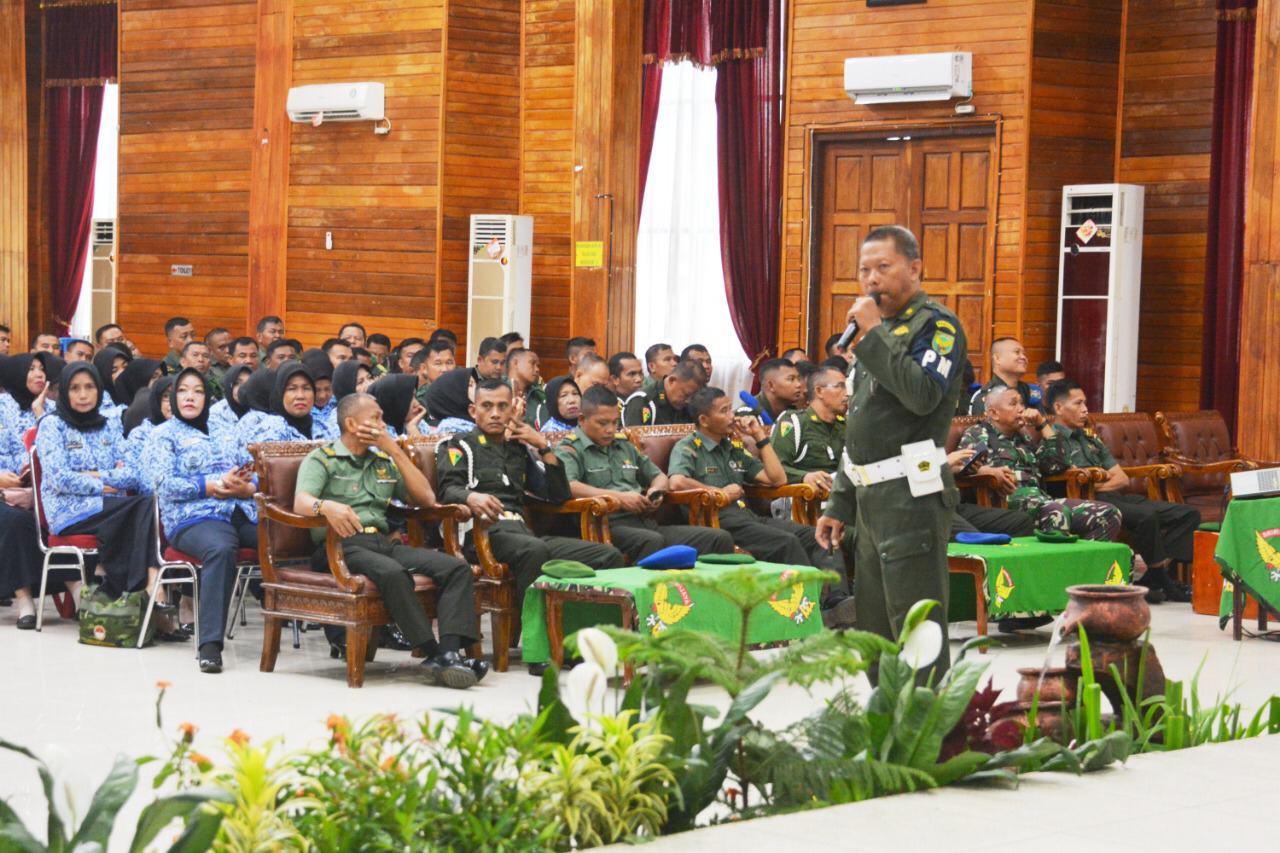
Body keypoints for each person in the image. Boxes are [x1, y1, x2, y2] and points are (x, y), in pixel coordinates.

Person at [815, 225, 968, 680]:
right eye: (865, 270)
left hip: (911, 496)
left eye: (884, 267)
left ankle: (927, 734)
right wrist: (838, 501)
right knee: (874, 631)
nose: (872, 279)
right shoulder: (876, 338)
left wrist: (875, 334)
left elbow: (922, 395)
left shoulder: (937, 327)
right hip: (868, 502)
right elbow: (862, 429)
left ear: (915, 268)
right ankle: (886, 727)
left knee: (916, 625)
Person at [296, 392, 483, 688]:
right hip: (339, 547)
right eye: (376, 418)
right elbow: (301, 503)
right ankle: (434, 653)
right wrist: (326, 507)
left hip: (381, 542)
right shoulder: (323, 459)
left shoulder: (382, 461)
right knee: (391, 573)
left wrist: (396, 452)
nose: (383, 425)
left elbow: (425, 499)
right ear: (351, 423)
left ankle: (449, 653)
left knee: (455, 568)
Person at [436, 380, 624, 625]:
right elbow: (448, 490)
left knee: (608, 555)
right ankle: (540, 643)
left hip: (525, 535)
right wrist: (471, 497)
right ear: (473, 411)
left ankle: (595, 634)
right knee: (533, 550)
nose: (495, 413)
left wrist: (543, 447)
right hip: (482, 535)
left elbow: (558, 496)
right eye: (487, 406)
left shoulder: (518, 449)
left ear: (511, 411)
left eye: (502, 406)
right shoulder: (458, 445)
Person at [142, 369, 256, 671]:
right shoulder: (163, 435)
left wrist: (248, 488)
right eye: (182, 391)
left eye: (198, 391)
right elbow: (164, 485)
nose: (190, 397)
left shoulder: (224, 430)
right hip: (192, 520)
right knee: (220, 549)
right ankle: (209, 645)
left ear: (207, 397)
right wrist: (212, 484)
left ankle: (337, 633)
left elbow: (250, 469)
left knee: (288, 538)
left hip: (238, 510)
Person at [1046, 380, 1198, 603]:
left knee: (1187, 514)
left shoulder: (1089, 439)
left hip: (1114, 496)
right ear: (1059, 408)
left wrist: (1098, 482)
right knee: (1146, 517)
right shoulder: (1053, 441)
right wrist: (1099, 481)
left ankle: (1156, 574)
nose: (1085, 409)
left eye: (1085, 403)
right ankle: (1163, 579)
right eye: (1078, 403)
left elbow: (1122, 478)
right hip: (1088, 503)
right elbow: (1069, 480)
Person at [34, 363, 163, 604]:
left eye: (89, 387)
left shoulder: (109, 425)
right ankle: (147, 590)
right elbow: (59, 478)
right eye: (74, 388)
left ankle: (142, 591)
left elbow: (133, 473)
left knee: (145, 506)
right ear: (64, 392)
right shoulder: (52, 425)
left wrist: (93, 474)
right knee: (143, 506)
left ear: (99, 390)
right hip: (68, 510)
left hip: (110, 508)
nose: (83, 395)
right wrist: (102, 483)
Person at [557, 387, 733, 562]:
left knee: (718, 538)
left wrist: (656, 491)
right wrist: (619, 498)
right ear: (582, 420)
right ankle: (654, 591)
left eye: (614, 422)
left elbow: (660, 477)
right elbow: (569, 485)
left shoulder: (623, 445)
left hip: (645, 522)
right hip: (604, 526)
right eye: (603, 423)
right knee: (651, 541)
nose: (610, 429)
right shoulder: (571, 448)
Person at [668, 387, 833, 572]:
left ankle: (836, 598)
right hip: (720, 523)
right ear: (704, 420)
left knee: (816, 534)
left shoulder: (732, 447)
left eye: (731, 408)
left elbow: (778, 479)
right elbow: (677, 482)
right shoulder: (688, 447)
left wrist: (759, 436)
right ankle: (808, 598)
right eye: (724, 411)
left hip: (749, 518)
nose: (732, 416)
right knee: (786, 542)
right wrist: (719, 492)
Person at [960, 385, 1121, 542]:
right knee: (1057, 512)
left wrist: (1042, 424)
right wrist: (988, 471)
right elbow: (964, 466)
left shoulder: (1024, 436)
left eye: (1022, 403)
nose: (1021, 408)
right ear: (994, 413)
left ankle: (1083, 565)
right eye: (1013, 404)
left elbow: (1057, 464)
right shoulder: (978, 433)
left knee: (1108, 513)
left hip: (1042, 501)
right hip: (1007, 504)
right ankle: (1055, 568)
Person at [622, 359, 703, 427]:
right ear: (672, 381)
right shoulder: (642, 401)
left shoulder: (690, 406)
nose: (688, 401)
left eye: (693, 397)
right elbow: (634, 443)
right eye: (686, 394)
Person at [967, 337, 1036, 416]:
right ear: (997, 358)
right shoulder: (987, 396)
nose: (1023, 357)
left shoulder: (1025, 389)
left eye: (1024, 354)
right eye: (1017, 352)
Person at [740, 358, 805, 424]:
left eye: (798, 379)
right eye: (791, 379)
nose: (798, 384)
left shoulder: (794, 412)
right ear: (771, 385)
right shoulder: (748, 414)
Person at [423, 367, 481, 434]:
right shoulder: (452, 428)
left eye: (476, 384)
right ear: (454, 394)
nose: (478, 389)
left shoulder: (476, 421)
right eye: (470, 385)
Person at [506, 348, 546, 428]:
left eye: (538, 366)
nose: (537, 369)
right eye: (532, 363)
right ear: (515, 363)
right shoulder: (498, 391)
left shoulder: (539, 395)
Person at [209, 364, 254, 434]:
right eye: (237, 383)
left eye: (249, 383)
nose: (243, 388)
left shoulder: (260, 409)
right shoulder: (216, 413)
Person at [302, 349, 337, 422]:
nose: (322, 396)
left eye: (327, 389)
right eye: (317, 390)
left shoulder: (339, 406)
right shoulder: (298, 410)